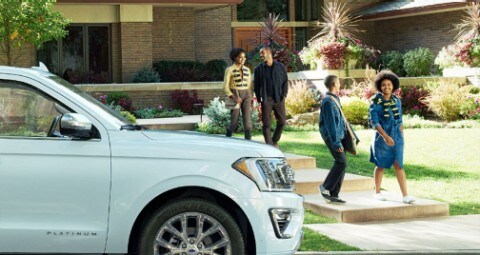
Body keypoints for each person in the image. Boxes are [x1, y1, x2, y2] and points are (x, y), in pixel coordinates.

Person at [369, 70, 415, 204]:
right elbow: (375, 122)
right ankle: (377, 191)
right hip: (382, 135)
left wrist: (402, 138)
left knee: (399, 165)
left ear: (393, 85)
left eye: (389, 84)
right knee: (381, 165)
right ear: (379, 86)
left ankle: (405, 195)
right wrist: (385, 137)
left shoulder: (397, 101)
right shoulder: (375, 102)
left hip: (397, 135)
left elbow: (399, 120)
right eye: (383, 85)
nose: (387, 87)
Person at [318, 75, 347, 204]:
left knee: (343, 164)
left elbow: (339, 120)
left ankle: (334, 194)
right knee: (341, 162)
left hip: (340, 136)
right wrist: (335, 142)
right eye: (338, 82)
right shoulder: (328, 102)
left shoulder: (335, 98)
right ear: (334, 84)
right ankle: (325, 187)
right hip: (332, 137)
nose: (340, 84)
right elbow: (330, 124)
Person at [253, 46, 288, 148]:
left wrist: (284, 94)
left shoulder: (281, 67)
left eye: (262, 53)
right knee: (266, 123)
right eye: (260, 54)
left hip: (279, 98)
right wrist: (259, 99)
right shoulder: (258, 69)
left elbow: (285, 81)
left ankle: (275, 140)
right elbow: (256, 85)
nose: (261, 55)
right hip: (266, 99)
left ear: (269, 53)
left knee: (282, 121)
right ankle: (269, 145)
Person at [224, 48, 253, 140]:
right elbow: (225, 86)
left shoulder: (247, 70)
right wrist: (234, 97)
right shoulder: (229, 70)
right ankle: (227, 139)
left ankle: (248, 141)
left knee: (247, 120)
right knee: (234, 121)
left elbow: (249, 86)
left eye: (244, 57)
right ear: (235, 57)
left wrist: (251, 99)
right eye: (240, 57)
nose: (243, 59)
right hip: (235, 95)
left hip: (247, 95)